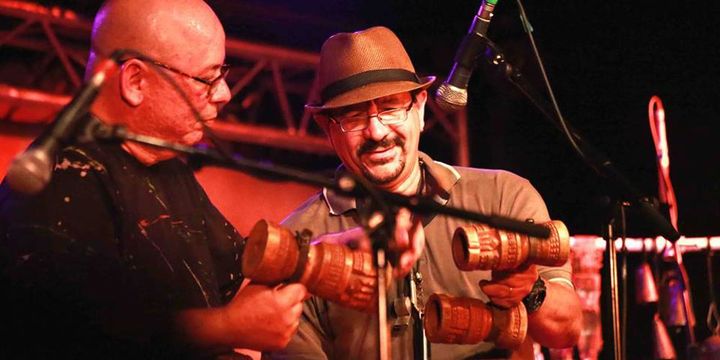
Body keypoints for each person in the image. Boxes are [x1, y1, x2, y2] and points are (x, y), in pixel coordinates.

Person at [0, 1, 311, 358]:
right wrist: (225, 327)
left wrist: (328, 251)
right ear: (135, 81)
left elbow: (237, 271)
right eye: (207, 78)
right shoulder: (61, 179)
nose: (225, 93)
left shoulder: (165, 166)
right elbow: (63, 332)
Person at [271, 26, 583, 359]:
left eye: (390, 107)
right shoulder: (300, 241)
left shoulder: (503, 195)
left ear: (419, 108)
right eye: (354, 115)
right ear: (327, 129)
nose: (376, 131)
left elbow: (566, 331)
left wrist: (530, 292)